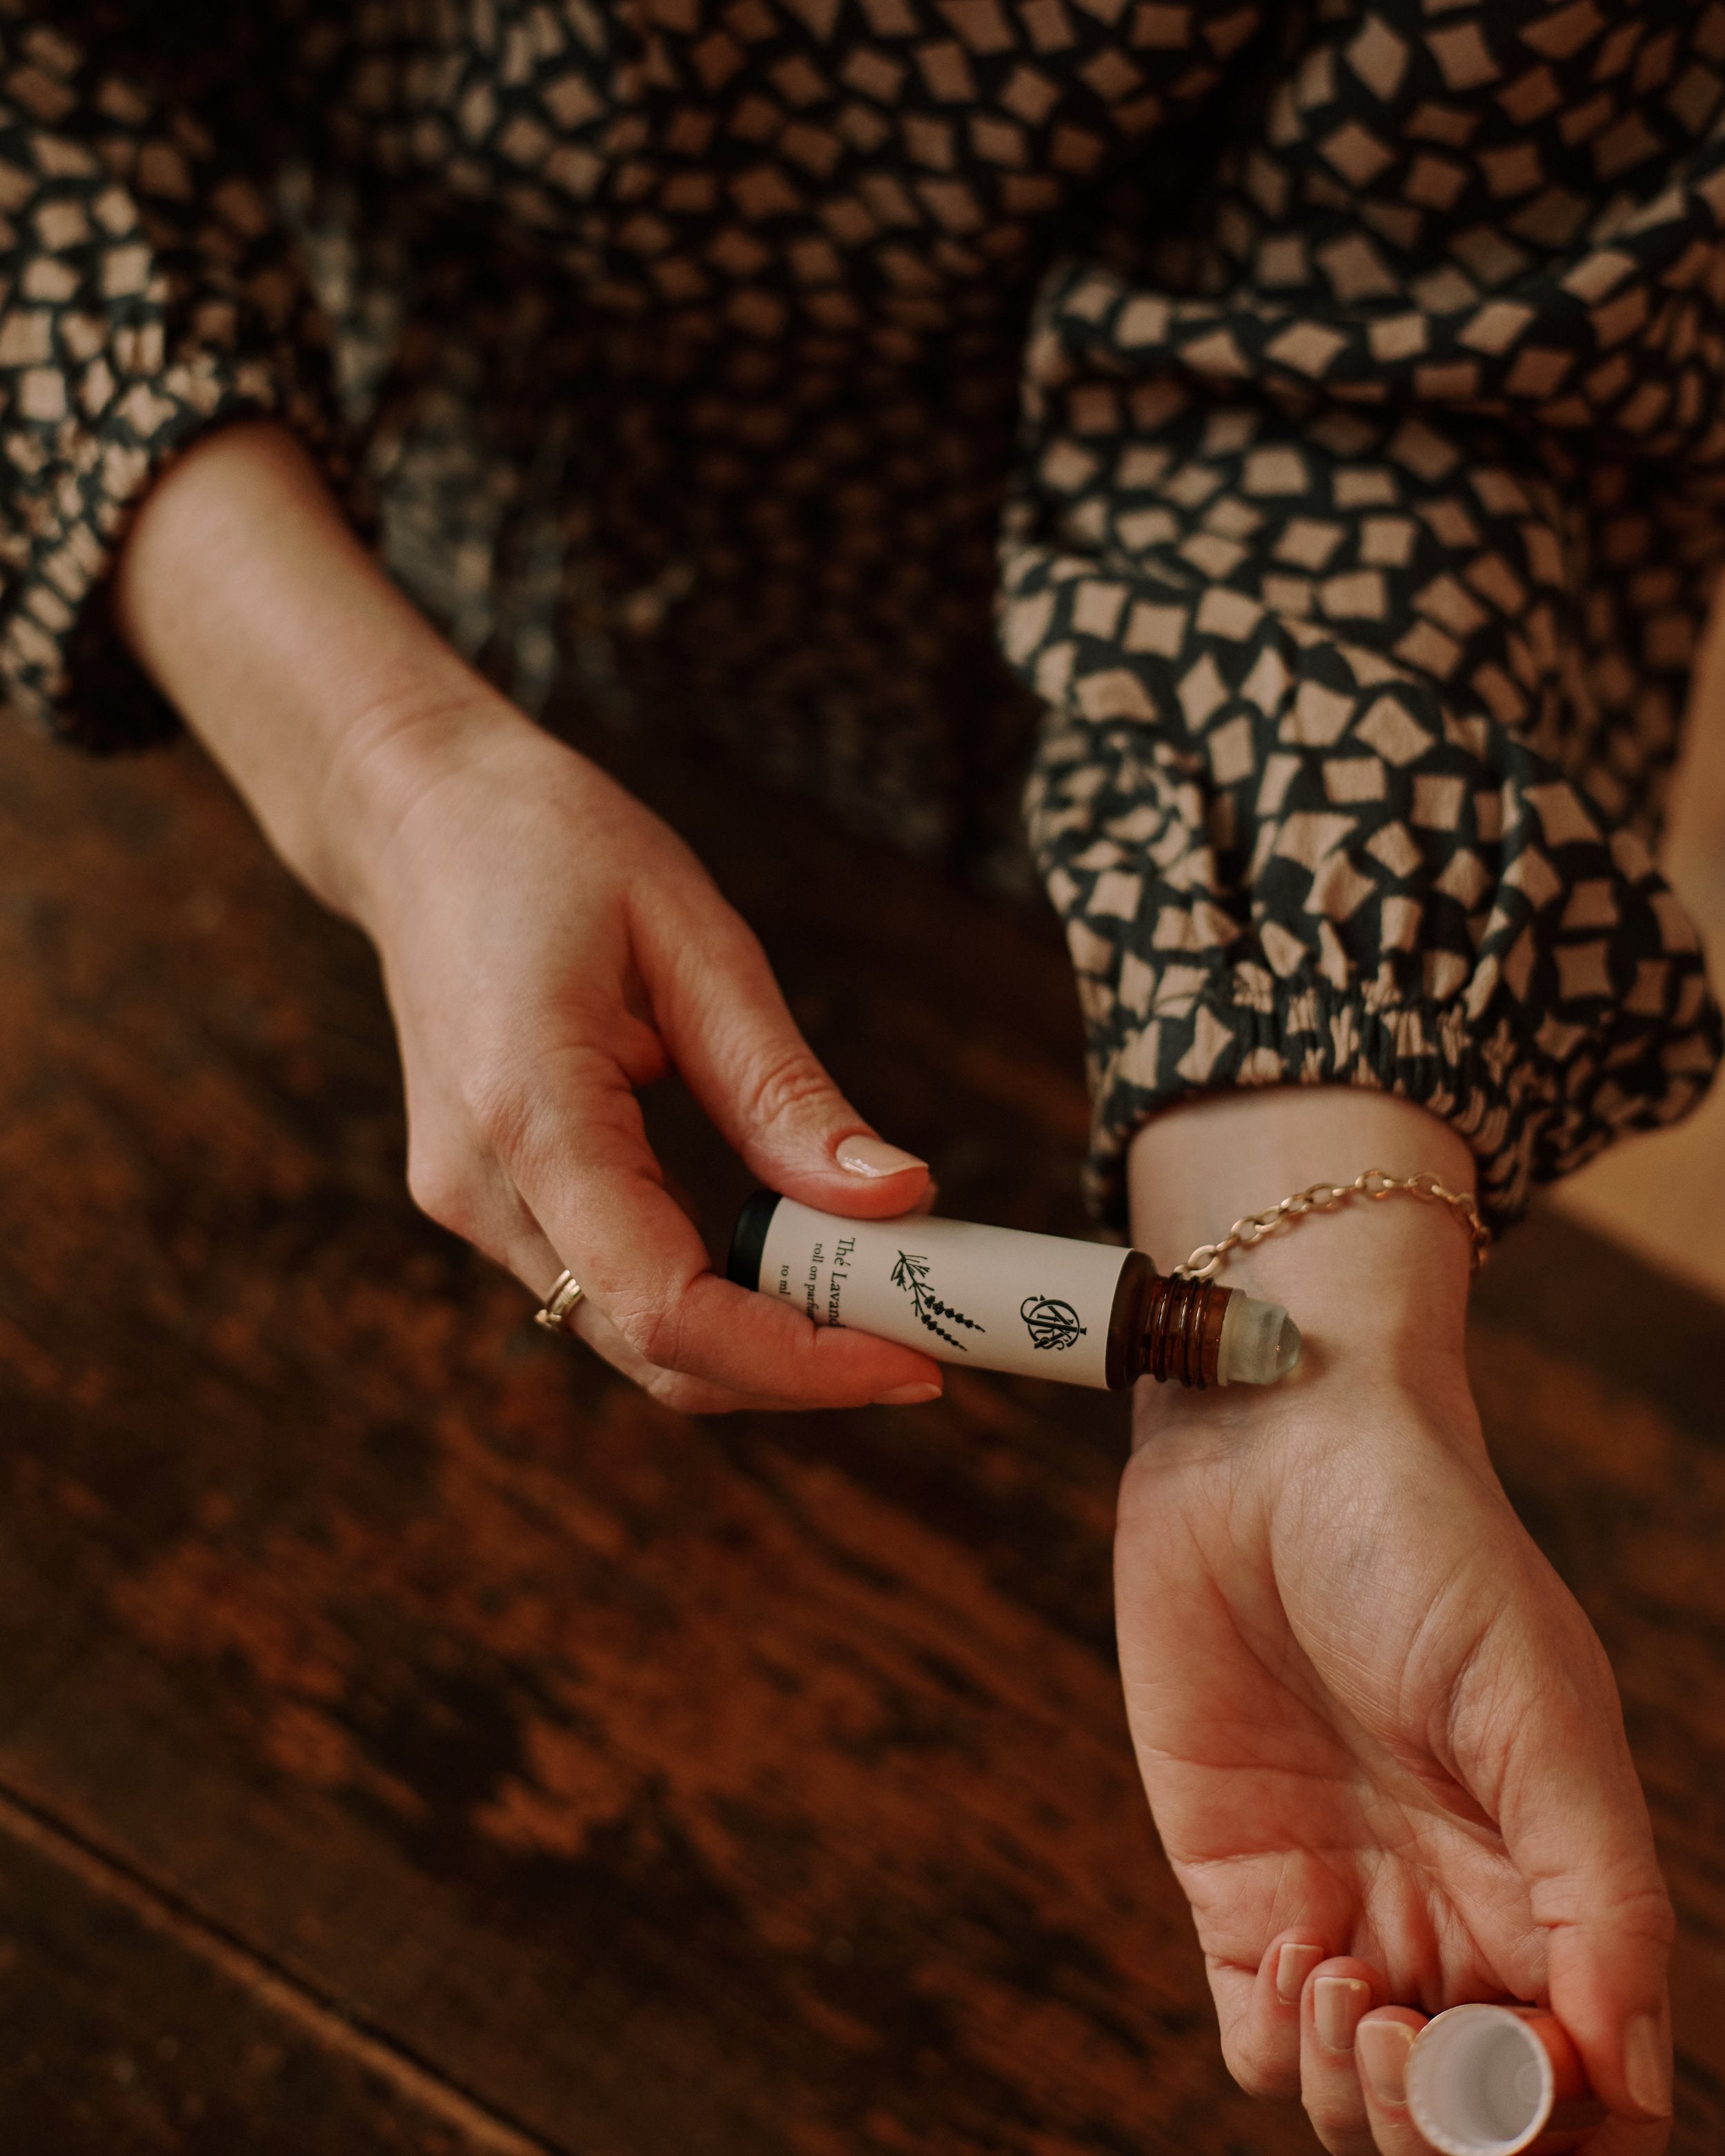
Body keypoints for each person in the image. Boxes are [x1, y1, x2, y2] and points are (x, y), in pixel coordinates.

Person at [3, 2, 1713, 2146]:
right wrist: (381, 761)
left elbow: (1410, 380)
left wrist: (1344, 1346)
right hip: (289, 544)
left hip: (1119, 814)